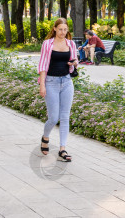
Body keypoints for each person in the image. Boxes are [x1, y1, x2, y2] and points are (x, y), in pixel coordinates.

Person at [37, 17, 78, 163]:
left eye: (65, 29)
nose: (62, 32)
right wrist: (42, 85)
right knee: (54, 118)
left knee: (65, 116)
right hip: (51, 82)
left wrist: (74, 63)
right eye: (60, 29)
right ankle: (45, 137)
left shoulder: (70, 43)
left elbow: (74, 61)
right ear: (54, 29)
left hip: (67, 82)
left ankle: (62, 148)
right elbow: (42, 66)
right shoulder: (47, 44)